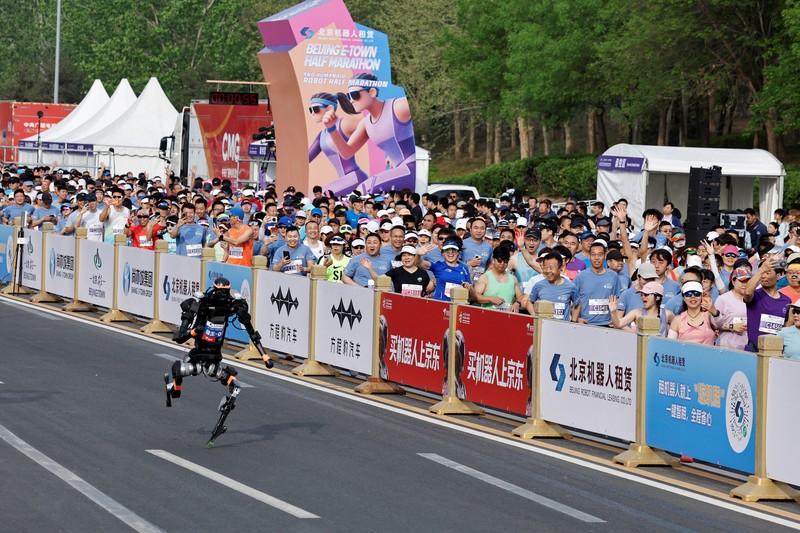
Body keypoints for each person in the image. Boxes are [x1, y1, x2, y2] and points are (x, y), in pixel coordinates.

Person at [164, 277, 272, 447]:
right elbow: (179, 336)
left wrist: (264, 355)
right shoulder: (201, 303)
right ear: (213, 289)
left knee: (231, 382)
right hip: (199, 352)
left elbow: (251, 330)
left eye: (225, 291)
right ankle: (175, 387)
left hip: (214, 354)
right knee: (181, 369)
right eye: (219, 291)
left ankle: (225, 411)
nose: (222, 295)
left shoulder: (233, 304)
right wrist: (192, 333)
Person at [322, 73, 416, 193]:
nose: (351, 100)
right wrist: (331, 128)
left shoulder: (397, 106)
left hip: (413, 168)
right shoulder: (365, 124)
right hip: (400, 172)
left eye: (355, 95)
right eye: (348, 96)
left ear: (372, 92)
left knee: (364, 189)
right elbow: (346, 152)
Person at [743, 253, 791, 351]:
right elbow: (747, 293)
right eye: (762, 273)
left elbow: (787, 327)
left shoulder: (786, 301)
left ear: (778, 276)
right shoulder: (755, 295)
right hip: (754, 351)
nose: (763, 276)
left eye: (767, 272)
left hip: (776, 353)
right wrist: (761, 269)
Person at [574, 241, 620, 326]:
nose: (596, 258)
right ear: (589, 256)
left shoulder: (613, 276)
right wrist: (577, 318)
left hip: (607, 325)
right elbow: (572, 302)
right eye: (593, 254)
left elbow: (616, 299)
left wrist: (615, 318)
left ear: (605, 256)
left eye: (600, 254)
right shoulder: (580, 277)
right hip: (586, 324)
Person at [527, 251, 579, 321]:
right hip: (544, 328)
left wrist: (574, 321)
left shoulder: (571, 287)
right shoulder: (539, 285)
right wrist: (535, 316)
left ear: (560, 267)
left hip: (563, 329)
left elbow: (578, 304)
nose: (548, 271)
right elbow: (529, 301)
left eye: (551, 268)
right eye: (545, 267)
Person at [417, 237, 472, 302]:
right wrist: (418, 255)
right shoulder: (438, 265)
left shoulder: (464, 268)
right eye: (447, 250)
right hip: (439, 304)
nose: (450, 253)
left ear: (458, 252)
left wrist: (468, 288)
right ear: (443, 253)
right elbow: (418, 263)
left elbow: (470, 291)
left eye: (453, 250)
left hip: (457, 306)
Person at [473, 245, 525, 312]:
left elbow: (520, 296)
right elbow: (475, 296)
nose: (502, 264)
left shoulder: (513, 279)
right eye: (499, 261)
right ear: (493, 259)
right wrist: (490, 299)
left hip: (507, 318)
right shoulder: (485, 278)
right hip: (488, 317)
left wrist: (517, 303)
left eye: (505, 261)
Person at [712, 266, 751, 350]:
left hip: (748, 348)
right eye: (741, 281)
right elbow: (713, 324)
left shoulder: (754, 299)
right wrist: (732, 327)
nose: (745, 284)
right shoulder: (723, 299)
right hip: (727, 347)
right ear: (733, 281)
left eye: (747, 281)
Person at [668, 281, 717, 345]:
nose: (693, 296)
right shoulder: (677, 320)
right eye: (688, 294)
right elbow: (670, 345)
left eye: (697, 294)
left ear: (702, 296)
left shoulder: (709, 316)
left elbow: (720, 325)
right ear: (683, 298)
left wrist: (715, 312)